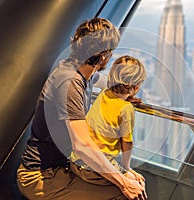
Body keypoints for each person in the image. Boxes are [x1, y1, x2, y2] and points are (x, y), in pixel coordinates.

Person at [17, 18, 146, 200]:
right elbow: (82, 145)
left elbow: (101, 81)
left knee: (131, 181)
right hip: (40, 176)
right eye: (111, 52)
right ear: (103, 55)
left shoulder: (81, 73)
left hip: (63, 167)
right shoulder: (69, 82)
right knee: (123, 194)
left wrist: (124, 92)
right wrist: (123, 183)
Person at [70, 55, 147, 187]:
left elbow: (113, 103)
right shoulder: (126, 108)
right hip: (96, 167)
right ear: (136, 87)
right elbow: (127, 143)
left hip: (76, 161)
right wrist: (126, 168)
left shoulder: (105, 93)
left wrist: (127, 98)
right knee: (138, 184)